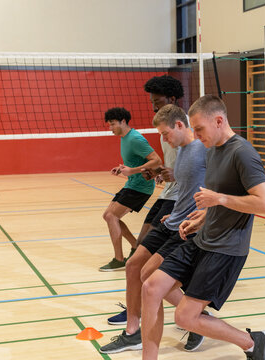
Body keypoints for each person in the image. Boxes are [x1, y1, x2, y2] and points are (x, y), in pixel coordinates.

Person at [140, 95, 265, 360]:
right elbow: (216, 199)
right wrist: (200, 217)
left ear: (219, 121)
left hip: (225, 249)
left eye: (199, 128)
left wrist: (219, 199)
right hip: (201, 240)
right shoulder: (212, 150)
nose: (196, 134)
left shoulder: (243, 153)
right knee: (151, 285)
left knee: (185, 317)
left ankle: (252, 342)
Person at [100, 104, 209, 354]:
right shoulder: (181, 149)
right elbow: (185, 181)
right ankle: (133, 331)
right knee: (133, 265)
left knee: (152, 279)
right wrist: (166, 175)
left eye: (165, 133)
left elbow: (215, 186)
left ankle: (195, 319)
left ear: (180, 125)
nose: (163, 139)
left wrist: (202, 214)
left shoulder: (203, 149)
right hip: (172, 216)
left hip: (186, 225)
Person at [106, 75, 185, 324]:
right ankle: (135, 312)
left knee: (145, 264)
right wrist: (157, 172)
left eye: (157, 101)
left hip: (178, 202)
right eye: (151, 101)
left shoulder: (184, 129)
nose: (153, 106)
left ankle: (193, 315)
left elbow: (195, 168)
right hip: (166, 195)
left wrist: (170, 173)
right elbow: (167, 164)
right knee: (138, 261)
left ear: (171, 100)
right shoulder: (164, 131)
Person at [100, 107, 162, 271]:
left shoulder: (135, 139)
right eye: (109, 125)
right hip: (132, 184)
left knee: (111, 216)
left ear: (123, 121)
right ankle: (135, 247)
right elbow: (136, 162)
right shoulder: (125, 138)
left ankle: (119, 259)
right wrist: (123, 168)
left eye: (112, 124)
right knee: (109, 216)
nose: (110, 128)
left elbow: (156, 161)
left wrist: (132, 171)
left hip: (141, 186)